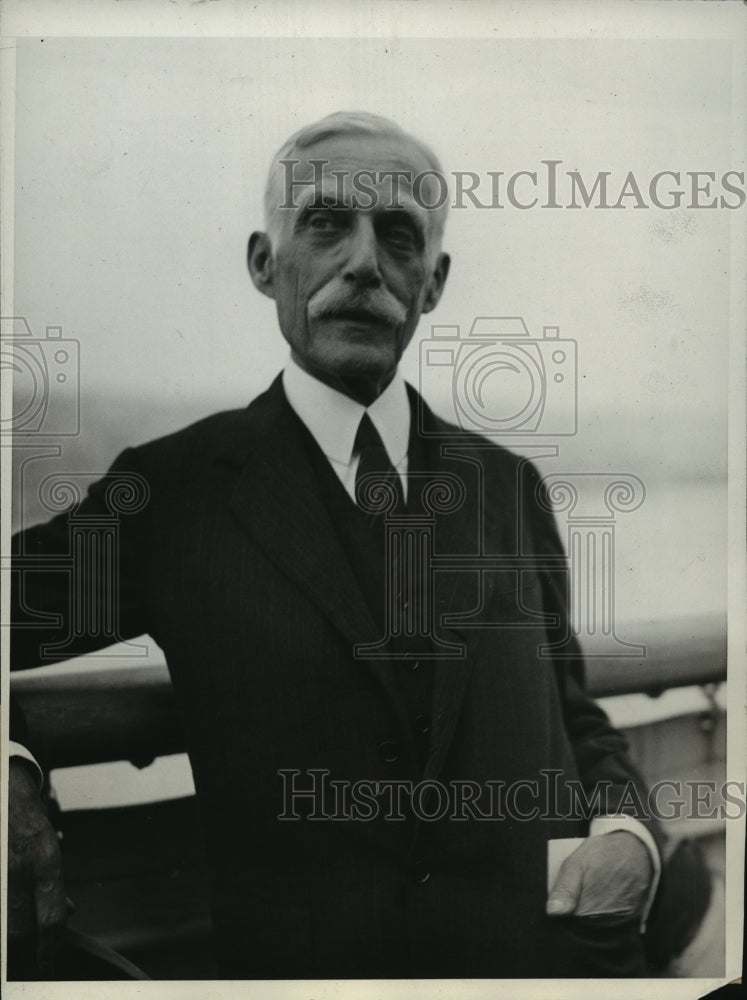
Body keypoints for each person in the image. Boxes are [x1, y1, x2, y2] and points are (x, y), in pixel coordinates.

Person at [8, 111, 662, 979]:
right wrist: (11, 764)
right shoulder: (173, 493)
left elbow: (571, 712)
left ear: (433, 281)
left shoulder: (508, 486)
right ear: (263, 262)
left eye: (398, 234)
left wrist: (627, 833)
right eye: (324, 223)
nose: (362, 262)